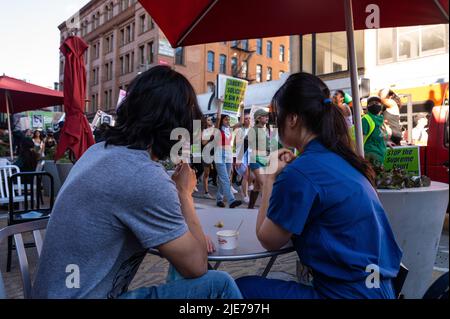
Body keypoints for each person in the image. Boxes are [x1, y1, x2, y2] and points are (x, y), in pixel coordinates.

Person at [32, 66, 242, 299]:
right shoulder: (144, 176)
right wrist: (183, 193)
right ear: (173, 126)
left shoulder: (98, 151)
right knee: (218, 285)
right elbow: (197, 265)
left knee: (180, 262)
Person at [236, 72, 402, 299]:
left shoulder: (301, 172)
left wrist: (269, 180)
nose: (276, 125)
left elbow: (268, 239)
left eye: (278, 118)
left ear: (292, 119)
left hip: (348, 294)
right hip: (381, 288)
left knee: (238, 289)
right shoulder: (346, 160)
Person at [214, 112, 242, 208]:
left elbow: (241, 123)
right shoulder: (217, 129)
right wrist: (220, 104)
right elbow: (217, 118)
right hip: (219, 155)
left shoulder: (230, 129)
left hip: (228, 155)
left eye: (228, 119)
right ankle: (231, 200)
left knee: (225, 178)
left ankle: (219, 199)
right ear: (222, 120)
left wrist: (242, 108)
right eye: (226, 119)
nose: (228, 121)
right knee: (225, 178)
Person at [247, 109, 271, 209]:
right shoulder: (253, 130)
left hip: (265, 160)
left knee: (257, 186)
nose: (267, 118)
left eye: (267, 116)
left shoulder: (265, 130)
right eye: (264, 116)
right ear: (258, 118)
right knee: (264, 183)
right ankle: (268, 208)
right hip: (255, 160)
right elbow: (247, 144)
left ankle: (250, 208)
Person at [362, 96, 391, 164]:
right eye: (371, 103)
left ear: (381, 106)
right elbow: (360, 140)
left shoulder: (380, 119)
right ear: (367, 107)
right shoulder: (365, 119)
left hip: (380, 155)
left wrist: (386, 142)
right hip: (370, 156)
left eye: (377, 103)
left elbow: (379, 135)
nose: (374, 104)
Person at [200, 116, 215, 199]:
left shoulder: (214, 129)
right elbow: (203, 143)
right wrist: (210, 137)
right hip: (206, 153)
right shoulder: (204, 131)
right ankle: (206, 192)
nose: (210, 121)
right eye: (208, 120)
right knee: (206, 173)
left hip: (215, 153)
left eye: (211, 119)